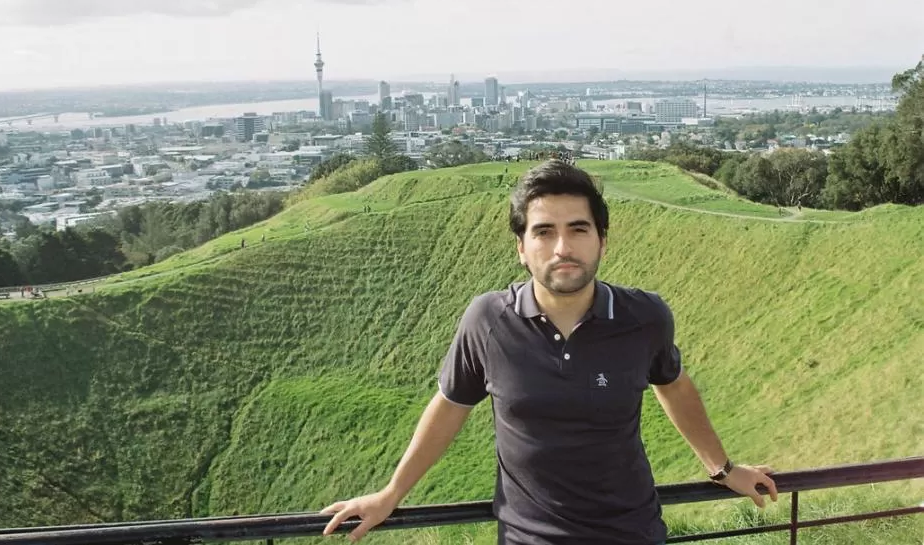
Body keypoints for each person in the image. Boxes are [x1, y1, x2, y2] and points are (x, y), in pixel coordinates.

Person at [322, 160, 777, 544]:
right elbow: (449, 407)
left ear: (602, 239)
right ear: (521, 248)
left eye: (578, 229)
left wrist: (722, 468)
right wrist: (391, 494)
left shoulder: (645, 317)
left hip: (632, 534)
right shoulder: (488, 321)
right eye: (544, 232)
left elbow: (673, 386)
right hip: (528, 538)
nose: (563, 248)